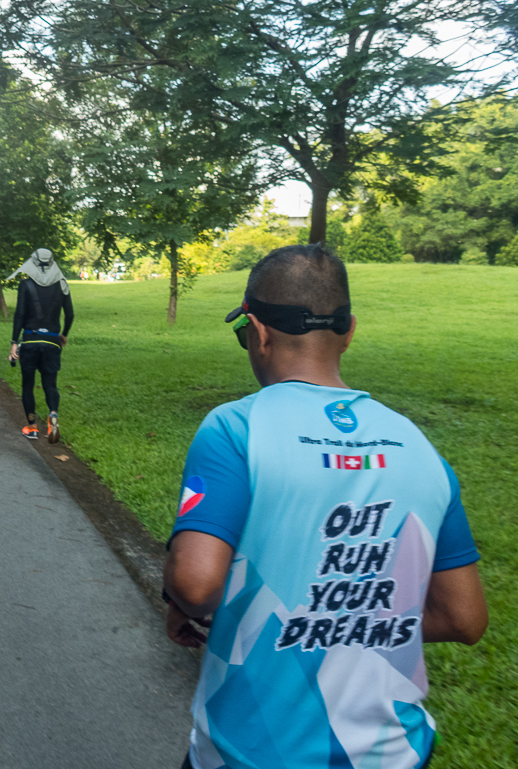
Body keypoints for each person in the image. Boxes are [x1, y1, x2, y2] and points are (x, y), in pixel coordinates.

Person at [163, 244, 487, 769]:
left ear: (257, 331)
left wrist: (179, 598)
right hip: (394, 753)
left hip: (250, 753)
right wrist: (344, 618)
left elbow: (196, 586)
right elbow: (465, 617)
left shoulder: (234, 429)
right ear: (350, 331)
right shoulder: (418, 446)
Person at [7, 248, 73, 443]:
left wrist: (13, 342)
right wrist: (63, 335)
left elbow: (19, 314)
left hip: (30, 341)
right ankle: (53, 414)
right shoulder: (62, 284)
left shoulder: (25, 285)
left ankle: (32, 427)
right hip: (52, 341)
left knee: (28, 384)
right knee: (50, 384)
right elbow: (70, 315)